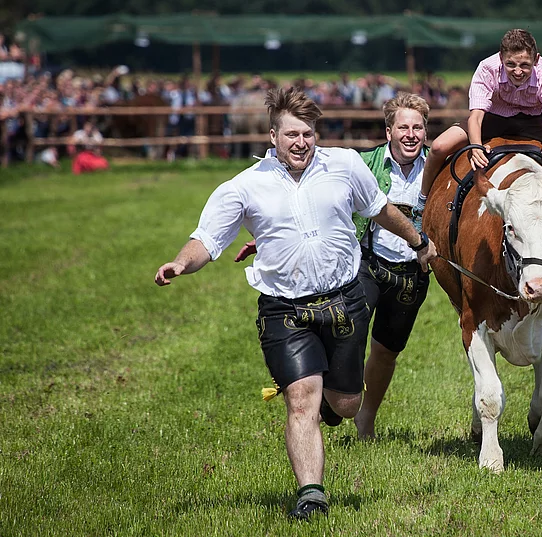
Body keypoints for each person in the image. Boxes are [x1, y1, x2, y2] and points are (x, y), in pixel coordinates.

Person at [153, 87, 437, 521]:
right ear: (273, 136)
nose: (301, 143)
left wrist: (418, 241)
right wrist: (180, 262)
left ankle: (332, 402)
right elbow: (207, 239)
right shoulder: (245, 185)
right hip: (285, 309)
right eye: (291, 135)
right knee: (301, 399)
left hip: (344, 301)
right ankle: (311, 494)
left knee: (346, 404)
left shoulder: (344, 165)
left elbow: (381, 210)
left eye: (307, 134)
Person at [418, 28, 542, 202]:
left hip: (536, 121)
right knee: (438, 147)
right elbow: (476, 116)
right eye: (510, 64)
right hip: (493, 118)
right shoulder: (487, 68)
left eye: (525, 65)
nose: (518, 71)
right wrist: (476, 146)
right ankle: (422, 202)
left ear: (536, 60)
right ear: (500, 58)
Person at [351, 93, 433, 440]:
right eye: (403, 127)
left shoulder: (438, 168)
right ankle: (336, 401)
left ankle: (365, 419)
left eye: (418, 128)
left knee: (386, 351)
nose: (411, 135)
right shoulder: (363, 163)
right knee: (349, 336)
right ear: (389, 132)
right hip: (367, 263)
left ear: (426, 132)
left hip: (413, 273)